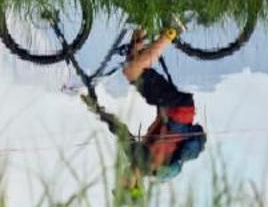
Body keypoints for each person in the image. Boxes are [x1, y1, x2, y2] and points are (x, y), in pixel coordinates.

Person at [80, 24, 209, 189]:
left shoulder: (142, 164)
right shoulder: (144, 164)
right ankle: (172, 29)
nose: (122, 178)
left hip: (175, 109)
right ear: (136, 183)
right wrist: (97, 109)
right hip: (177, 110)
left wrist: (98, 109)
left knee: (132, 59)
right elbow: (120, 131)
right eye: (125, 184)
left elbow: (120, 131)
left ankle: (141, 21)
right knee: (132, 71)